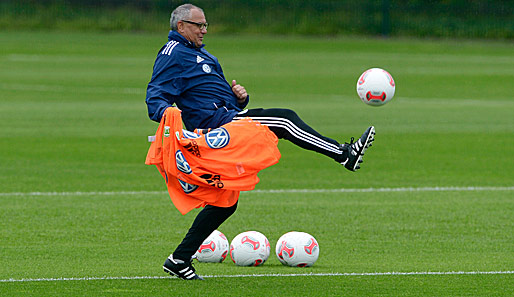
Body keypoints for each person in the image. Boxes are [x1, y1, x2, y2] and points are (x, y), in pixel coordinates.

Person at [145, 3, 375, 280]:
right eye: (199, 25)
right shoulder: (173, 53)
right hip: (216, 130)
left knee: (225, 202)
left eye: (206, 25)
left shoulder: (199, 54)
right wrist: (166, 115)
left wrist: (240, 98)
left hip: (227, 119)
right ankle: (345, 154)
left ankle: (179, 259)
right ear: (181, 26)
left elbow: (212, 97)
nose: (205, 30)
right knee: (284, 120)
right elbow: (155, 96)